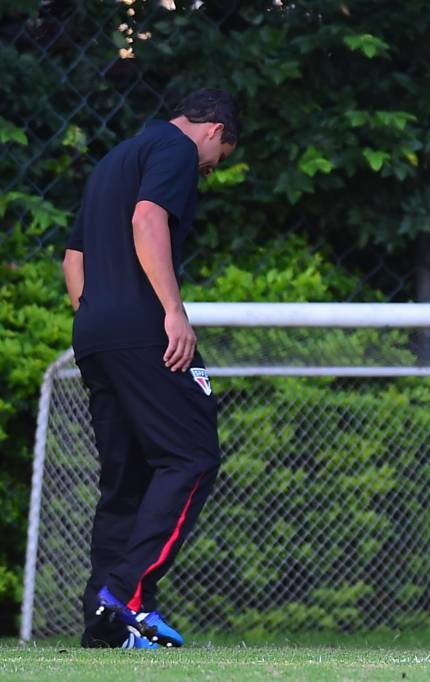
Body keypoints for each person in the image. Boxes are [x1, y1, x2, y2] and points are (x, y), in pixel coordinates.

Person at [62, 89, 240, 649]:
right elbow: (148, 219)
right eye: (220, 157)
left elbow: (74, 259)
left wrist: (99, 320)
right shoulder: (176, 150)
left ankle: (104, 627)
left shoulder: (115, 159)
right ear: (214, 129)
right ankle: (127, 594)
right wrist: (171, 311)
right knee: (191, 455)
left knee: (127, 480)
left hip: (94, 332)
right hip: (144, 328)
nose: (209, 171)